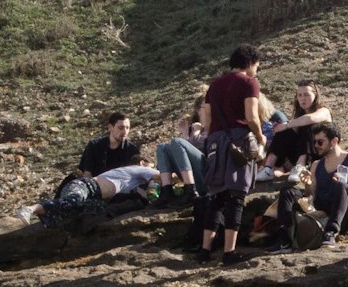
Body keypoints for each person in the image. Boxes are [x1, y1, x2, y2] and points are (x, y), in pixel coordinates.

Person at [197, 44, 267, 265]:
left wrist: (215, 138)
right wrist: (260, 137)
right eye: (257, 66)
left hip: (216, 142)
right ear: (251, 63)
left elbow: (206, 120)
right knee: (236, 197)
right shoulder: (249, 82)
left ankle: (204, 250)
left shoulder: (214, 86)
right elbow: (251, 116)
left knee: (217, 198)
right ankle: (229, 252)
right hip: (238, 140)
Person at [272, 121, 348, 250]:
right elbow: (311, 195)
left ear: (334, 141)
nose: (316, 146)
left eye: (320, 142)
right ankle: (285, 238)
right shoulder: (316, 165)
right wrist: (308, 185)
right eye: (314, 142)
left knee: (341, 186)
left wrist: (346, 188)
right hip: (321, 211)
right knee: (288, 192)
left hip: (345, 216)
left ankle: (331, 232)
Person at [17, 164, 160, 229]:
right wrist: (177, 175)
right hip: (86, 186)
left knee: (72, 214)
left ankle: (39, 212)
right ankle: (31, 208)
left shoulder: (137, 186)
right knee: (73, 201)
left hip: (95, 199)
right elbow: (160, 176)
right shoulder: (138, 169)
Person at [256, 80, 333, 183]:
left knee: (305, 126)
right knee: (285, 130)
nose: (302, 99)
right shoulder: (299, 115)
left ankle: (300, 166)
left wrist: (287, 124)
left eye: (306, 95)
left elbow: (310, 118)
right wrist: (283, 127)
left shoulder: (324, 111)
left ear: (315, 94)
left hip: (319, 153)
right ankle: (268, 167)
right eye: (300, 95)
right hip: (300, 153)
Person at [154, 95, 208, 208]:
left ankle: (191, 190)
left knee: (176, 142)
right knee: (162, 147)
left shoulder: (213, 126)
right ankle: (167, 190)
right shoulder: (195, 129)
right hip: (195, 172)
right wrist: (186, 133)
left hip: (207, 175)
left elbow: (202, 146)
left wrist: (195, 133)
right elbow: (185, 153)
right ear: (198, 110)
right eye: (204, 106)